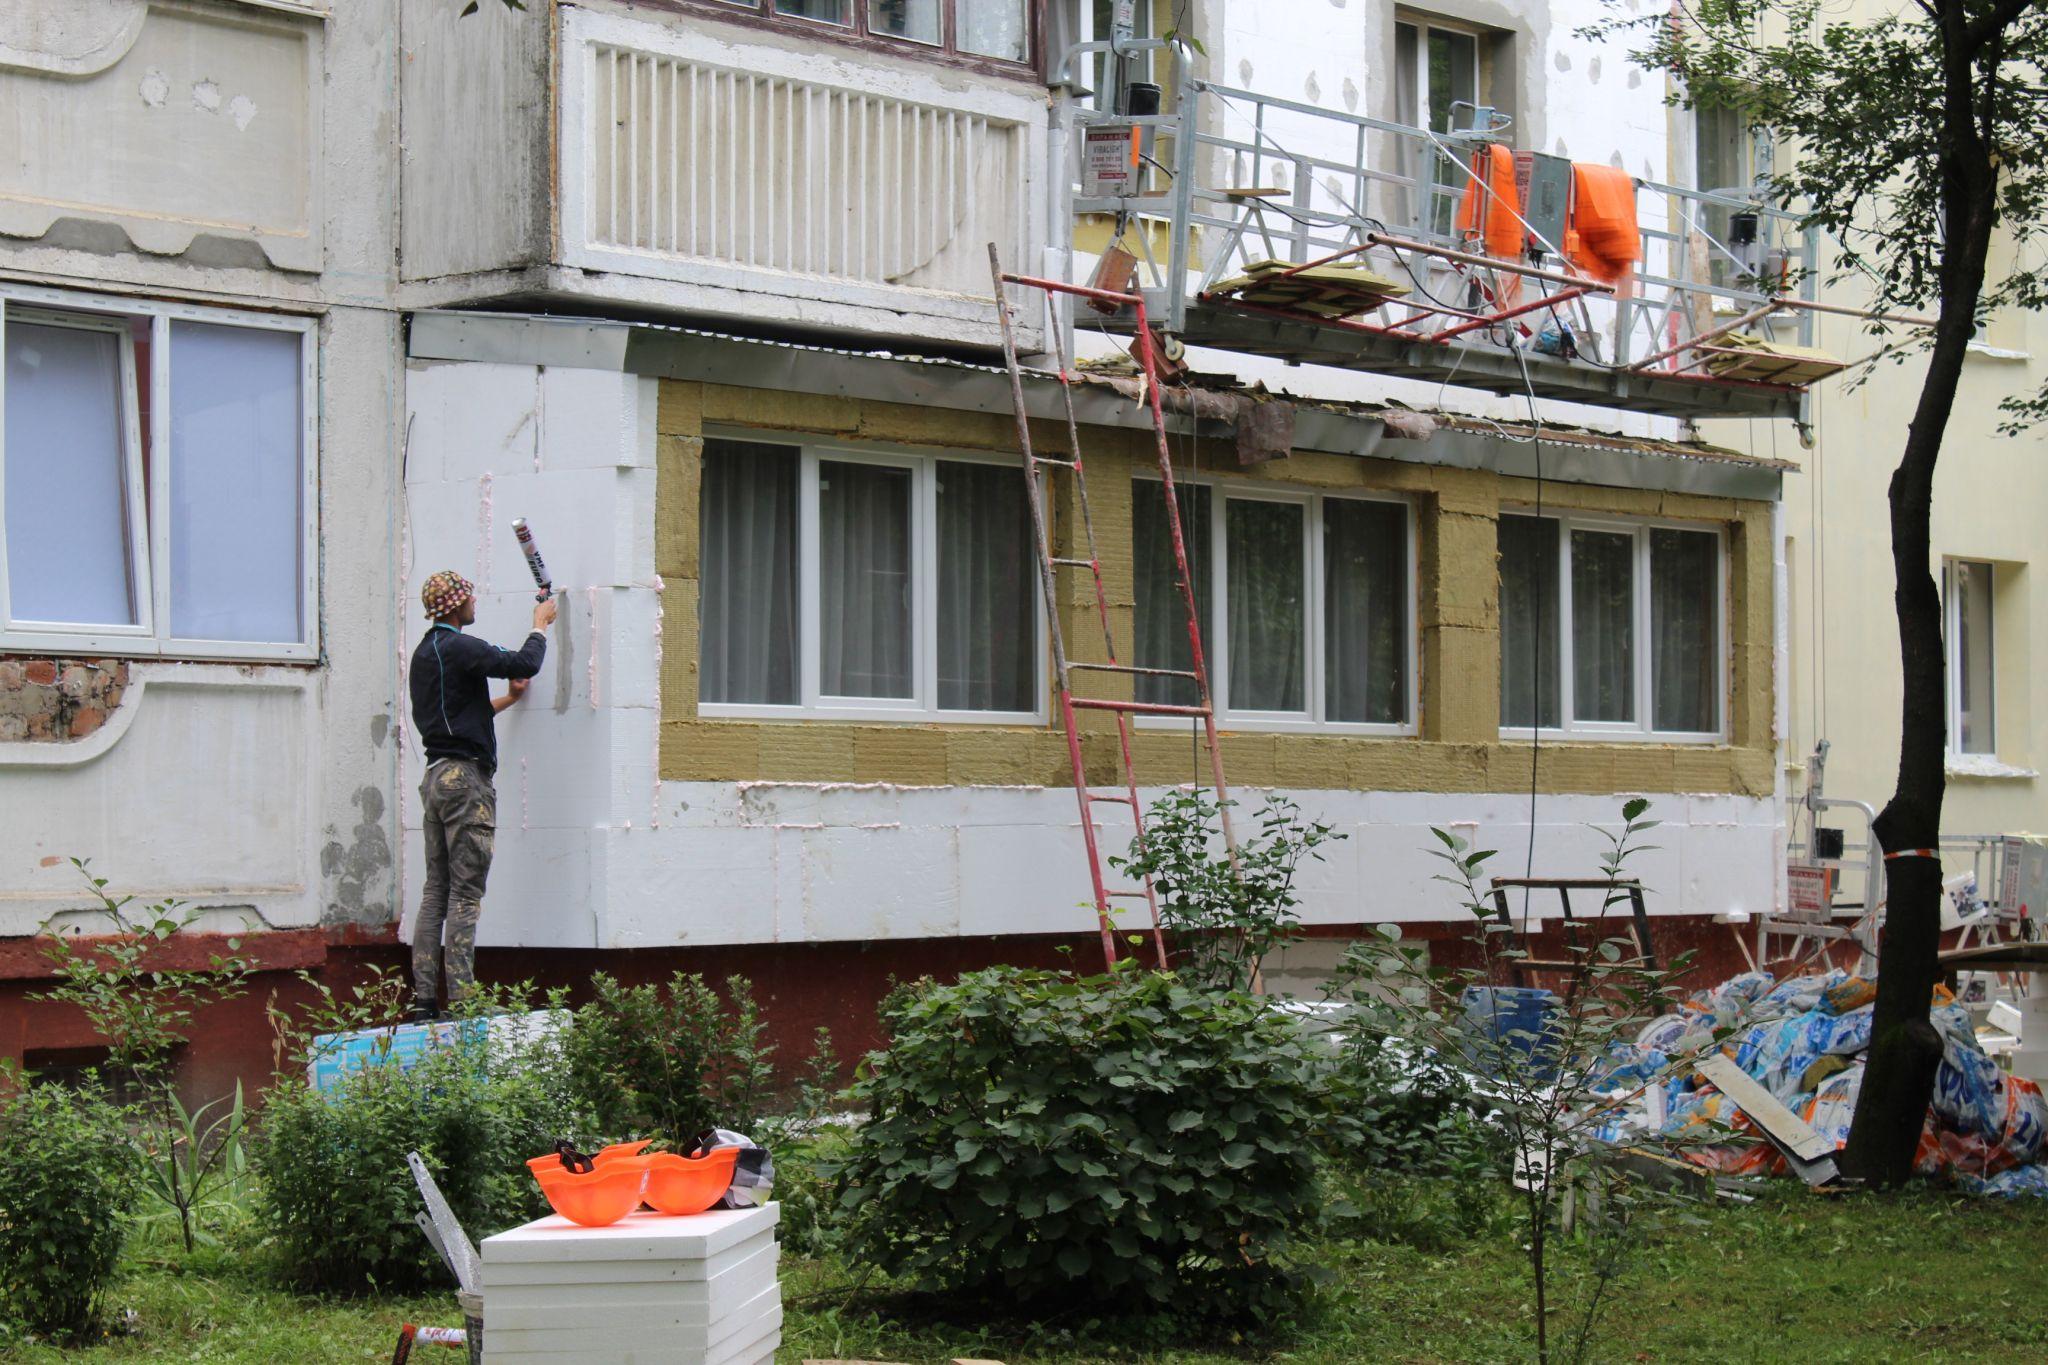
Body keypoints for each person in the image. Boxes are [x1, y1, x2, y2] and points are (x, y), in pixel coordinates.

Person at [406, 569, 557, 1021]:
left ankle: (424, 1003)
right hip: (465, 782)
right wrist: (540, 622)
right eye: (470, 598)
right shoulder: (461, 647)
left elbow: (460, 716)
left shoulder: (423, 655)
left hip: (434, 779)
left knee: (436, 892)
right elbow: (524, 662)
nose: (476, 604)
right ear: (455, 605)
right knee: (466, 895)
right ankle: (466, 1005)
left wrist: (508, 701)